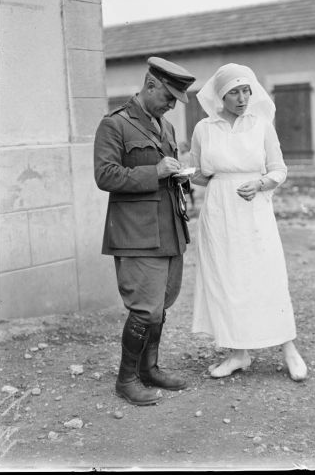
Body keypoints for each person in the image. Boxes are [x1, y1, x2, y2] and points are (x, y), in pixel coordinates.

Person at [189, 63, 308, 381]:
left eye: (246, 91)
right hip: (218, 212)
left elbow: (279, 169)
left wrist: (260, 184)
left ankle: (289, 349)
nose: (242, 98)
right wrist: (190, 173)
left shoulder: (261, 125)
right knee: (227, 279)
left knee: (265, 275)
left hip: (254, 209)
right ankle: (238, 353)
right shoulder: (204, 129)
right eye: (234, 92)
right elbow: (198, 173)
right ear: (220, 96)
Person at [94, 56, 196, 405]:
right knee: (144, 307)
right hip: (136, 233)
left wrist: (180, 176)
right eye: (168, 96)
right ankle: (126, 380)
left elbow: (167, 173)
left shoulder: (165, 127)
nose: (171, 105)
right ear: (150, 85)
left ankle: (149, 368)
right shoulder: (115, 125)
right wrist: (155, 172)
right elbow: (105, 175)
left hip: (169, 230)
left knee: (161, 304)